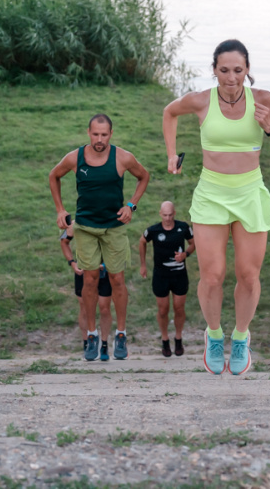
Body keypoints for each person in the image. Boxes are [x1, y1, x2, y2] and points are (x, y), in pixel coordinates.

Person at [162, 39, 270, 376]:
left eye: (238, 70)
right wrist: (171, 154)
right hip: (211, 194)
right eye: (224, 70)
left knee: (248, 276)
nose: (231, 77)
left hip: (250, 192)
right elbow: (170, 112)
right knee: (212, 275)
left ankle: (241, 337)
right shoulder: (202, 100)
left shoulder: (262, 100)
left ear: (247, 69)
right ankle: (215, 336)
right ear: (214, 70)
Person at [49, 113, 150, 362]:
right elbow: (53, 176)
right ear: (88, 132)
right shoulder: (75, 157)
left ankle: (122, 334)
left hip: (114, 227)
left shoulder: (123, 157)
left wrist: (131, 206)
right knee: (90, 279)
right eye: (95, 134)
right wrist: (60, 209)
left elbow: (144, 176)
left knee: (117, 279)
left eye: (104, 135)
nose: (100, 139)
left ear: (111, 135)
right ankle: (92, 335)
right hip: (85, 227)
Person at [139, 201, 196, 357]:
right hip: (161, 275)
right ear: (160, 214)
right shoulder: (154, 230)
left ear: (174, 213)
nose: (168, 218)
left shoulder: (183, 227)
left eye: (170, 215)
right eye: (165, 215)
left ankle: (178, 338)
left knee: (179, 307)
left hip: (179, 275)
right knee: (163, 309)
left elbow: (193, 243)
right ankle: (165, 339)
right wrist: (143, 265)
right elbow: (142, 242)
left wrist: (186, 254)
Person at [60, 217, 114, 361]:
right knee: (84, 307)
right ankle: (88, 343)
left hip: (103, 270)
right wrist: (72, 263)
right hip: (84, 271)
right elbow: (64, 241)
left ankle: (103, 344)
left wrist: (107, 263)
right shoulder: (77, 223)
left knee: (104, 308)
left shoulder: (109, 219)